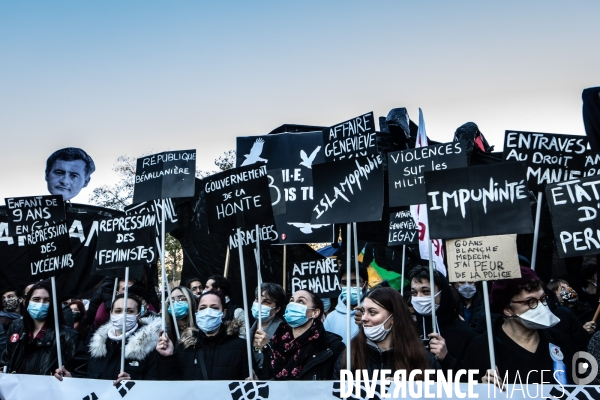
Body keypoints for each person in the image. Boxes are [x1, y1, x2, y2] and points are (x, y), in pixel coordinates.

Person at [464, 267, 576, 386]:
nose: (541, 306)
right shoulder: (483, 348)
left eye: (543, 299)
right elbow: (465, 391)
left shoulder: (559, 341)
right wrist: (482, 390)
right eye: (531, 302)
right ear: (507, 310)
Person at [333, 287, 440, 379]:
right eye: (363, 311)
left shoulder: (422, 359)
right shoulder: (349, 357)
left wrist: (407, 392)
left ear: (393, 318)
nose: (364, 318)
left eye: (372, 312)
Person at [54, 294, 161, 384]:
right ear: (111, 314)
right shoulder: (96, 346)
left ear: (138, 315)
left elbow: (155, 385)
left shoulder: (150, 347)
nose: (123, 315)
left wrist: (134, 385)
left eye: (129, 311)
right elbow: (87, 381)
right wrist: (71, 379)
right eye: (118, 311)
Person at [156, 289, 249, 380]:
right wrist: (168, 358)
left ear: (223, 313)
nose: (207, 312)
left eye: (214, 308)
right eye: (203, 308)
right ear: (197, 312)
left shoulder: (240, 346)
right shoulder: (184, 346)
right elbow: (172, 384)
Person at [254, 289, 345, 380]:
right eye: (291, 301)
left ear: (315, 312)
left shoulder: (331, 346)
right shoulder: (276, 340)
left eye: (301, 301)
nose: (293, 305)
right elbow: (267, 379)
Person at [0, 280, 87, 375]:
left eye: (47, 300)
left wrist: (70, 377)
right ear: (27, 302)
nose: (41, 304)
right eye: (36, 299)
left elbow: (81, 373)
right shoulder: (17, 329)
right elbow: (6, 362)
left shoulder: (68, 337)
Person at [408, 265, 477, 373]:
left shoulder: (465, 334)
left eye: (426, 291)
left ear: (442, 294)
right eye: (414, 293)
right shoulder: (409, 331)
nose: (419, 297)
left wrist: (446, 358)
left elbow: (472, 380)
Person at [324, 265, 369, 345]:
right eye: (344, 283)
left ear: (366, 284)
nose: (349, 287)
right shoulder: (331, 318)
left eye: (355, 282)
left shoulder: (376, 313)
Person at [249, 283, 286, 369]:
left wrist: (267, 346)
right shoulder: (249, 328)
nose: (260, 304)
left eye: (267, 302)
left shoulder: (284, 331)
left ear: (277, 309)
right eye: (257, 299)